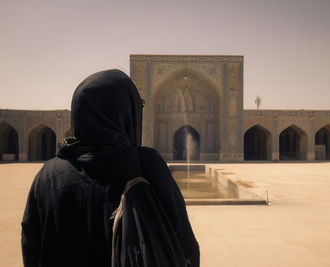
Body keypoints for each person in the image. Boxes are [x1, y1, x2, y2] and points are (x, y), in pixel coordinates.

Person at [21, 69, 200, 267]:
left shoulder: (48, 176)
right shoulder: (145, 165)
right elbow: (185, 246)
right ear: (127, 113)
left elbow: (31, 248)